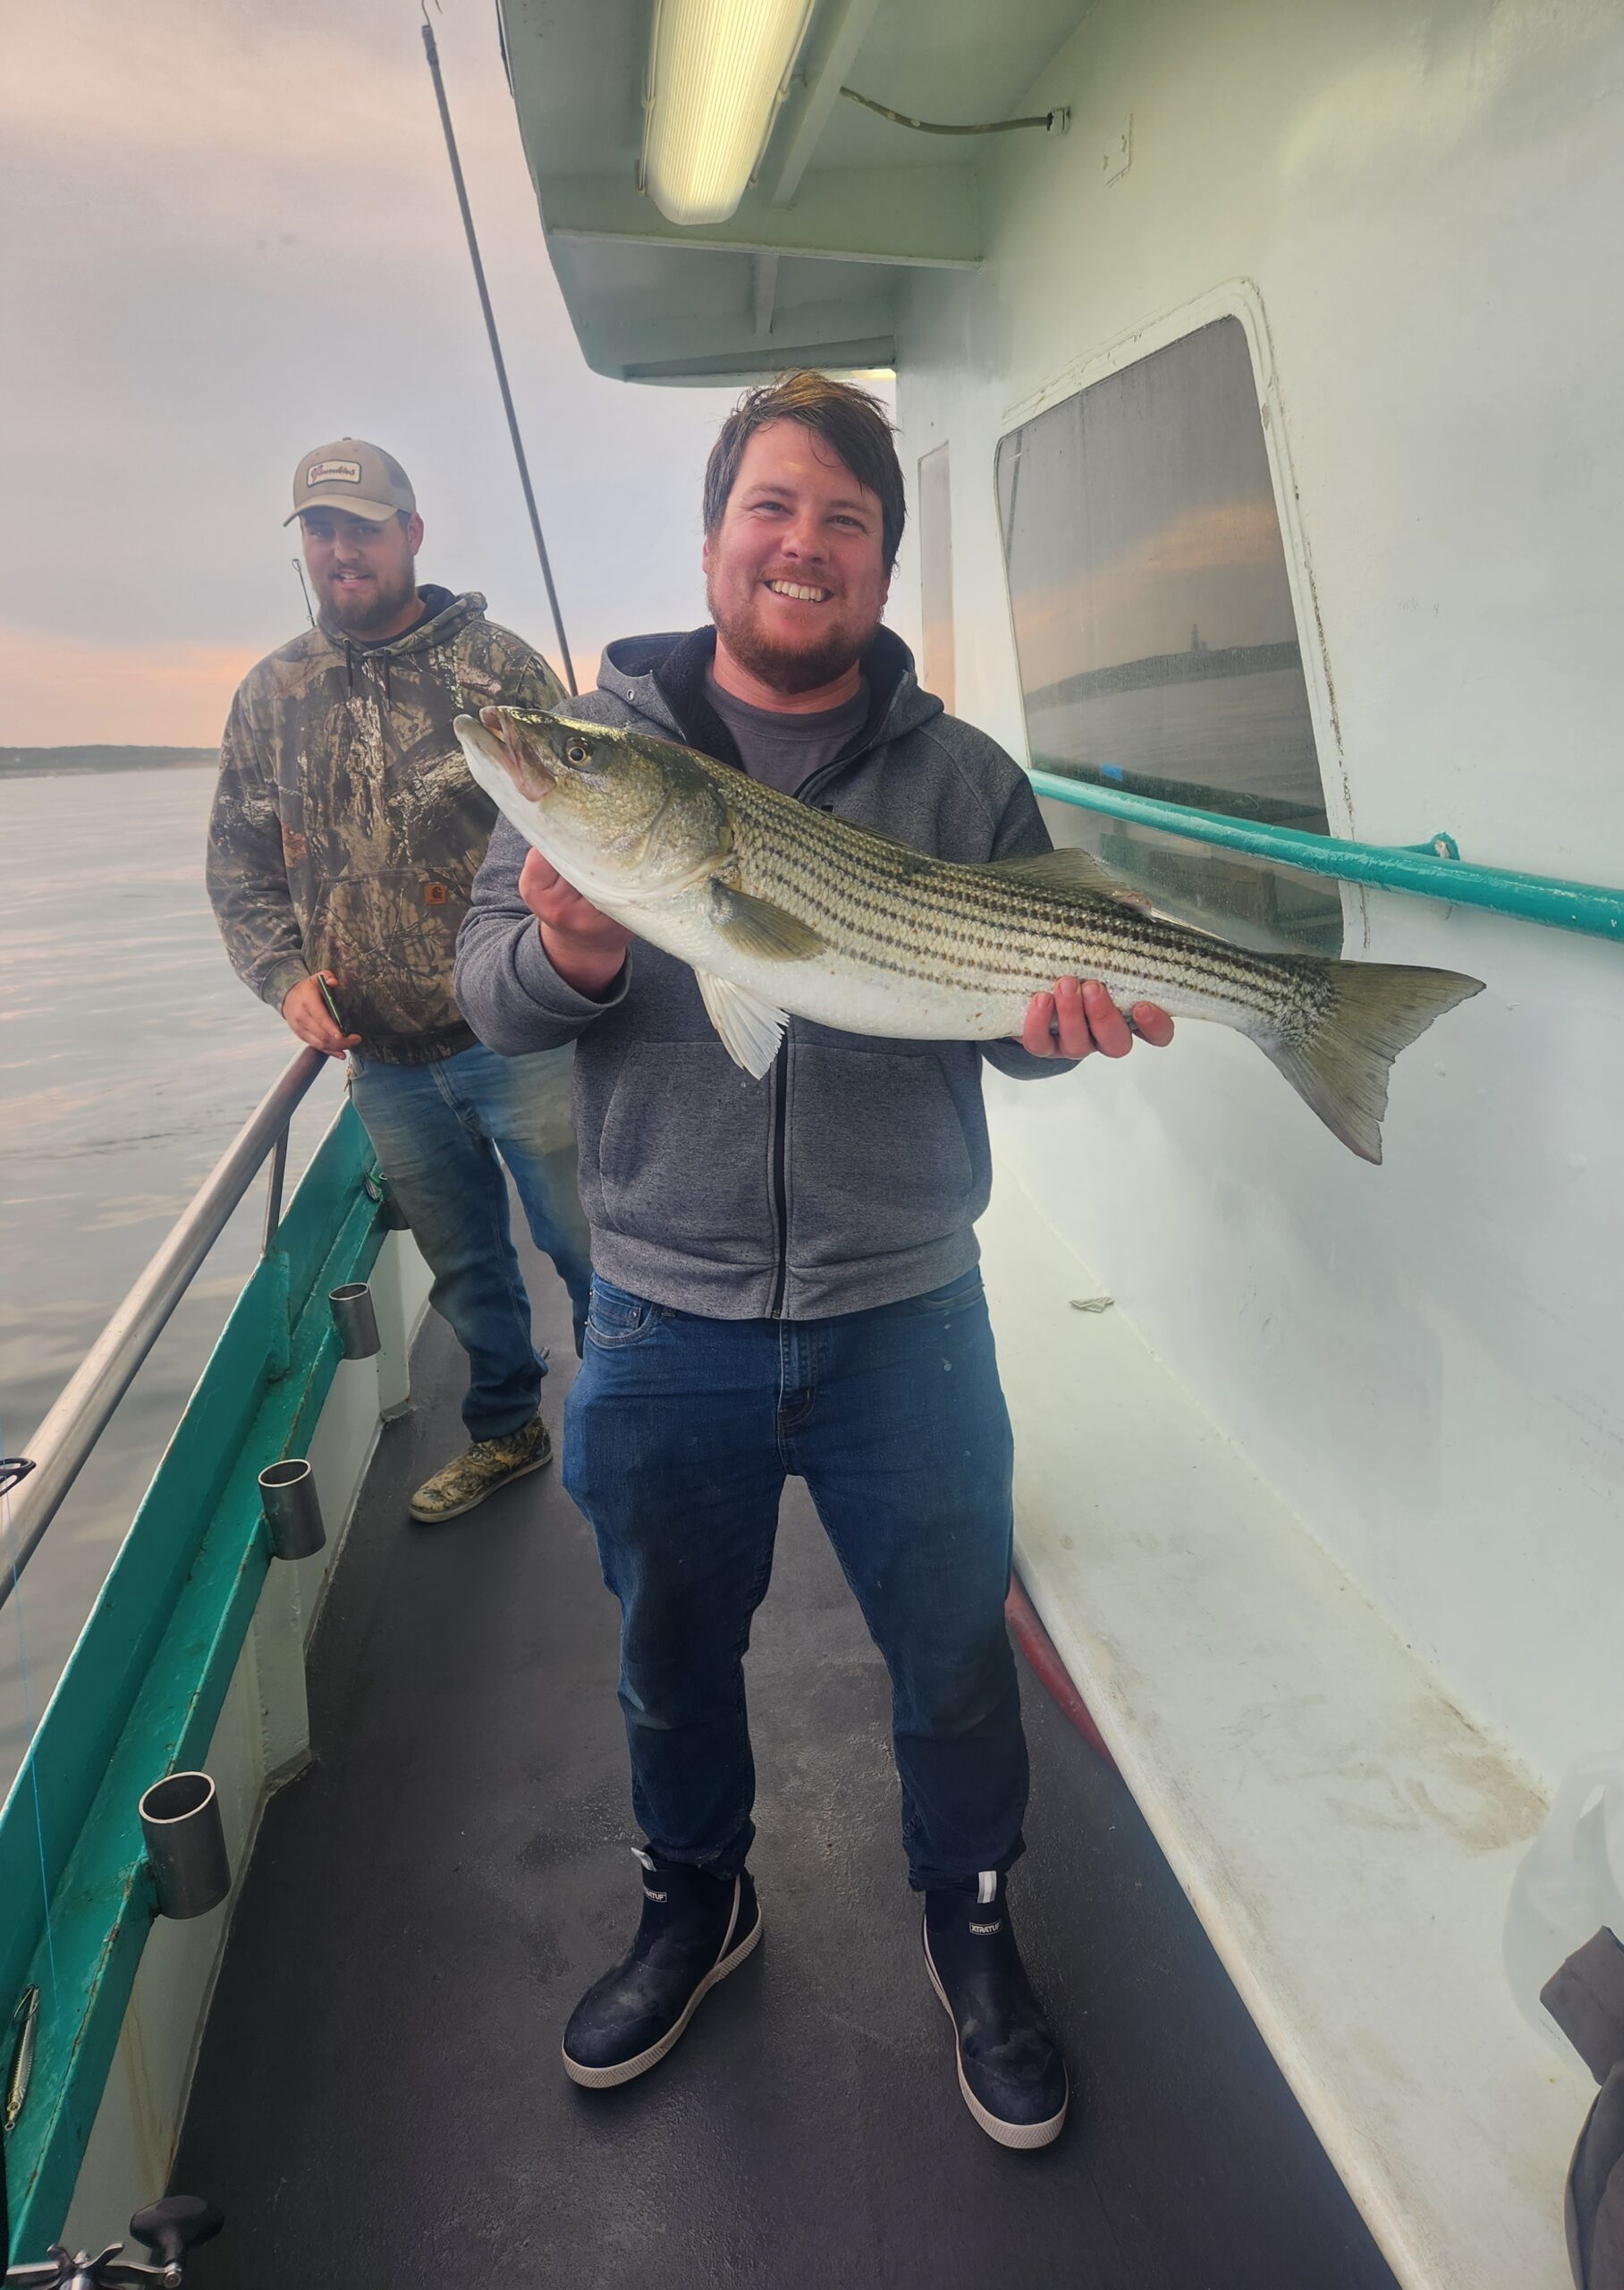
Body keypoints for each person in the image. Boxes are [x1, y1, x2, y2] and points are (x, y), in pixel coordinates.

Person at [454, 374, 1172, 2148]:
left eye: (846, 520)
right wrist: (577, 954)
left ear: (878, 566)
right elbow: (487, 999)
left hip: (904, 1305)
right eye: (772, 508)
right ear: (712, 545)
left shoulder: (964, 780)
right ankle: (694, 1895)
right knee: (670, 1650)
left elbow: (1000, 1025)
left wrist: (1052, 1031)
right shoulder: (601, 760)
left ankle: (976, 1918)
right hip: (659, 1302)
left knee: (950, 1649)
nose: (805, 544)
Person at [207, 437, 591, 1524]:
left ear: (412, 533)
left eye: (362, 528)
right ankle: (507, 1430)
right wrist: (284, 979)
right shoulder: (269, 694)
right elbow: (237, 864)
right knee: (465, 1265)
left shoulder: (498, 668)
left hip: (519, 1034)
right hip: (382, 1060)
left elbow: (579, 839)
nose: (341, 550)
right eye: (321, 530)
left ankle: (632, 1426)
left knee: (589, 1241)